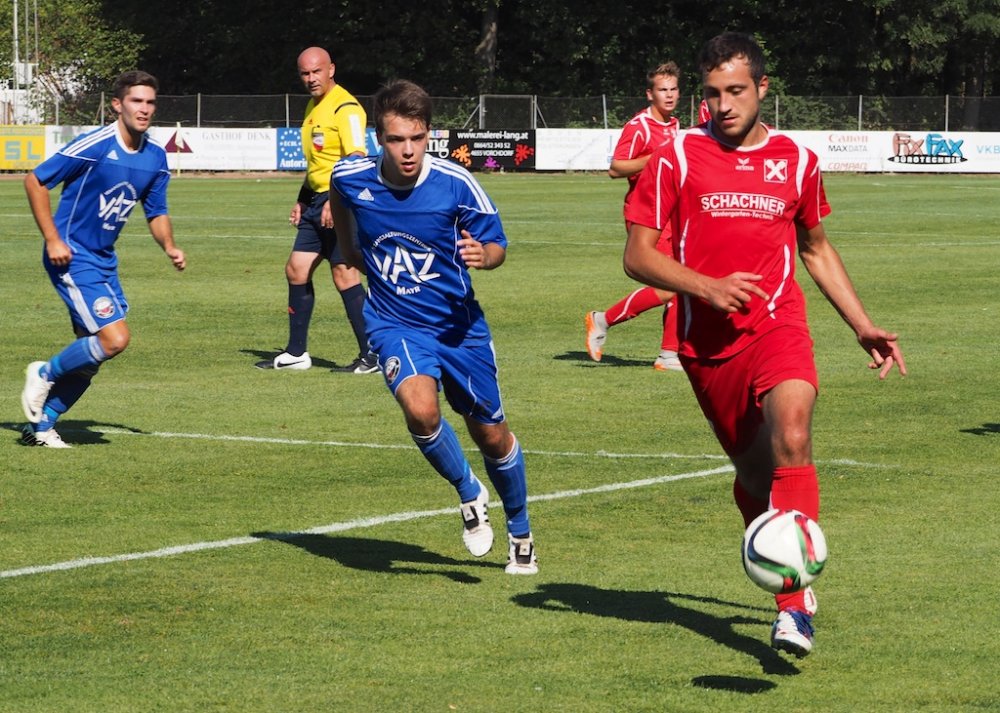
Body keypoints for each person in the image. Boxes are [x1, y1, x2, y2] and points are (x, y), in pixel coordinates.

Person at [622, 32, 907, 657]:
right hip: (707, 346)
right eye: (712, 94)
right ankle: (774, 554)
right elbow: (637, 256)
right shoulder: (676, 157)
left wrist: (861, 324)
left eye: (736, 91)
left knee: (793, 434)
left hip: (779, 323)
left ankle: (793, 606)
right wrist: (706, 286)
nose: (723, 105)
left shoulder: (797, 160)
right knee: (754, 476)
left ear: (763, 89)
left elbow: (815, 248)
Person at [328, 79, 538, 574]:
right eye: (396, 139)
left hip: (458, 330)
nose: (408, 150)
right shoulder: (352, 176)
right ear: (379, 138)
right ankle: (468, 490)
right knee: (421, 412)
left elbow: (497, 245)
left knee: (492, 437)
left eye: (417, 138)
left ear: (429, 135)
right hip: (394, 321)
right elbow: (338, 196)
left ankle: (521, 531)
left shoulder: (455, 183)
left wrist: (483, 256)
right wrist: (349, 247)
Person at [20, 70, 186, 448]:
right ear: (117, 105)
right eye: (136, 101)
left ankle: (41, 428)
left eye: (150, 102)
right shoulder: (95, 145)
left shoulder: (155, 157)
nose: (144, 109)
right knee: (115, 339)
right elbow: (36, 180)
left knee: (91, 357)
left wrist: (169, 246)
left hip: (104, 260)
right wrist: (52, 239)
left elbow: (156, 212)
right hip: (71, 256)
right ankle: (43, 373)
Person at [255, 47, 376, 373]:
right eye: (305, 73)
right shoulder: (313, 106)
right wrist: (302, 198)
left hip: (339, 201)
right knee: (296, 269)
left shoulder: (346, 108)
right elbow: (318, 165)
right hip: (316, 201)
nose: (310, 79)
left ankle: (373, 355)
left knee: (345, 274)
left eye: (316, 71)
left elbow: (356, 160)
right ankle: (297, 353)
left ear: (331, 69)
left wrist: (338, 202)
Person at [585, 62, 683, 372]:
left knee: (681, 282)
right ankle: (603, 320)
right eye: (662, 90)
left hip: (670, 212)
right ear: (650, 94)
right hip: (645, 213)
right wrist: (655, 158)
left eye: (673, 89)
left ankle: (669, 354)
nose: (669, 95)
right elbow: (616, 168)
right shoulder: (639, 126)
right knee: (672, 285)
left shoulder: (675, 125)